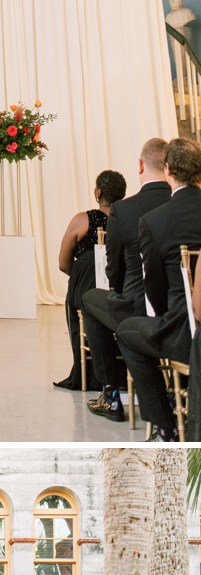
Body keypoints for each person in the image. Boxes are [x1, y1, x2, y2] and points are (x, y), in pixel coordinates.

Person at [116, 137, 201, 441]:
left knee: (127, 332)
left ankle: (166, 425)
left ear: (167, 169)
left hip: (184, 333)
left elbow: (153, 286)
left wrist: (165, 318)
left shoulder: (154, 221)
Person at [82, 138, 172, 423]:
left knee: (90, 300)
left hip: (137, 306)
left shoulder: (125, 209)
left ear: (140, 165)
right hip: (180, 307)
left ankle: (110, 393)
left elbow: (114, 268)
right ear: (170, 168)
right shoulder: (182, 202)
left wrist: (118, 290)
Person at [54, 170, 125, 392]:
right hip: (119, 287)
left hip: (85, 285)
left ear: (98, 192)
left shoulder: (83, 219)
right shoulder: (127, 220)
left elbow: (63, 263)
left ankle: (88, 374)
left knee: (79, 302)